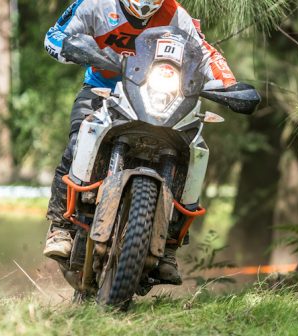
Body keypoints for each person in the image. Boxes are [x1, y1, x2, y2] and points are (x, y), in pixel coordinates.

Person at [42, 0, 237, 285]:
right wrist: (75, 48)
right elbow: (55, 35)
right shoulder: (95, 4)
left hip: (163, 97)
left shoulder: (176, 14)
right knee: (78, 138)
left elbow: (205, 52)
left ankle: (169, 246)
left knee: (193, 148)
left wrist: (231, 85)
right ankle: (60, 226)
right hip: (104, 89)